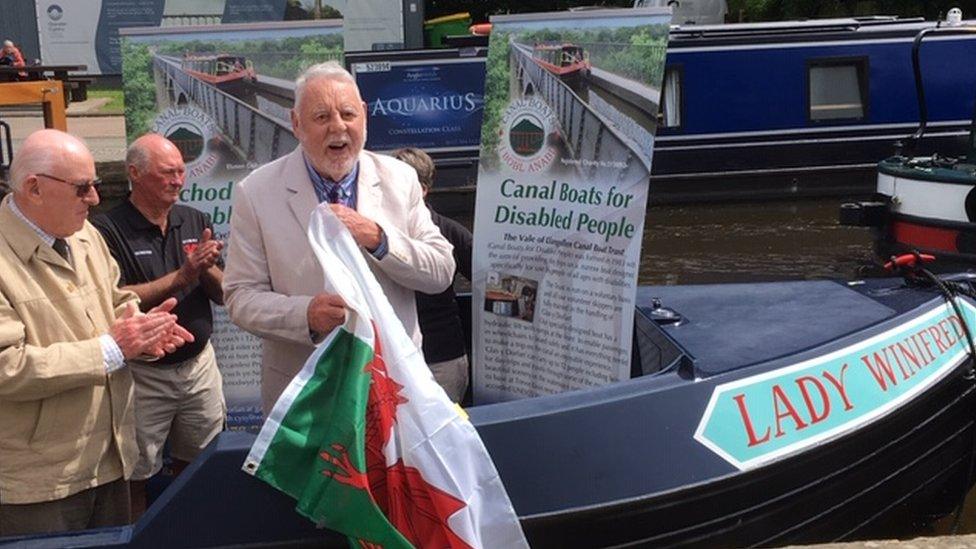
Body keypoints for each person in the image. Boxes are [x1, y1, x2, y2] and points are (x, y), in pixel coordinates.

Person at [223, 61, 456, 414]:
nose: (338, 128)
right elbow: (240, 298)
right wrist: (305, 314)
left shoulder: (400, 178)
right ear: (296, 123)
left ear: (363, 115)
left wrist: (379, 238)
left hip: (392, 389)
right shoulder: (256, 192)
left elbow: (441, 271)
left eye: (348, 113)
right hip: (305, 396)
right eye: (321, 117)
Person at [0, 129, 193, 536]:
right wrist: (112, 348)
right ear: (34, 189)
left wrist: (144, 334)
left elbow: (116, 297)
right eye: (83, 188)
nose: (94, 199)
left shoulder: (85, 235)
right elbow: (7, 367)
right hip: (40, 484)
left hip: (110, 460)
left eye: (96, 185)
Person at [91, 133, 226, 517]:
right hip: (143, 374)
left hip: (199, 366)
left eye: (181, 172)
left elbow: (220, 294)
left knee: (200, 462)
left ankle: (193, 531)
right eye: (167, 173)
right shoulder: (107, 230)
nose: (178, 181)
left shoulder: (194, 219)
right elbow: (111, 300)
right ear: (135, 173)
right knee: (134, 472)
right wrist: (182, 276)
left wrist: (206, 268)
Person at [392, 147, 472, 402]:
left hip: (442, 359)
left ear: (423, 189)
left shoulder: (450, 231)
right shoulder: (376, 232)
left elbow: (486, 280)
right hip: (395, 360)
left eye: (399, 183)